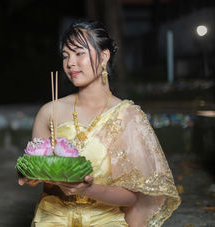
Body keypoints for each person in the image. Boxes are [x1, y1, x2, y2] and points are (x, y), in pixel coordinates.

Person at [18, 19, 181, 226]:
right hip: (52, 219)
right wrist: (30, 174)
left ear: (104, 56)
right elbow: (41, 175)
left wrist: (88, 189)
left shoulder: (127, 116)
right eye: (66, 56)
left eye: (79, 53)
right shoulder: (50, 111)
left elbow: (133, 198)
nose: (70, 63)